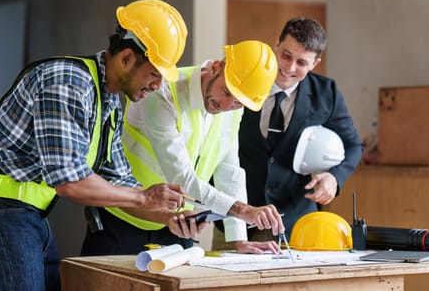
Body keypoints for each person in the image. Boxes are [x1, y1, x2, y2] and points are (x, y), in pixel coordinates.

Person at [0, 0, 202, 291]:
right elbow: (70, 182)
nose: (158, 85)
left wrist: (169, 219)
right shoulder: (68, 82)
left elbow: (121, 182)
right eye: (154, 74)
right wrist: (145, 199)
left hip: (27, 212)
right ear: (126, 58)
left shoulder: (108, 102)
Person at [80, 40, 286, 256]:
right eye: (226, 91)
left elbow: (229, 170)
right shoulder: (162, 92)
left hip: (177, 225)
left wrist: (239, 239)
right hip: (123, 221)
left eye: (238, 102)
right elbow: (181, 177)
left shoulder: (233, 108)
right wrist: (244, 211)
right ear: (216, 67)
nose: (226, 106)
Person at [212, 17, 363, 248]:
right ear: (276, 45)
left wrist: (334, 178)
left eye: (302, 62)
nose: (289, 68)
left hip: (296, 224)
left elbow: (353, 145)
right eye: (286, 55)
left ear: (315, 63)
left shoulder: (327, 93)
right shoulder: (245, 77)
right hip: (235, 220)